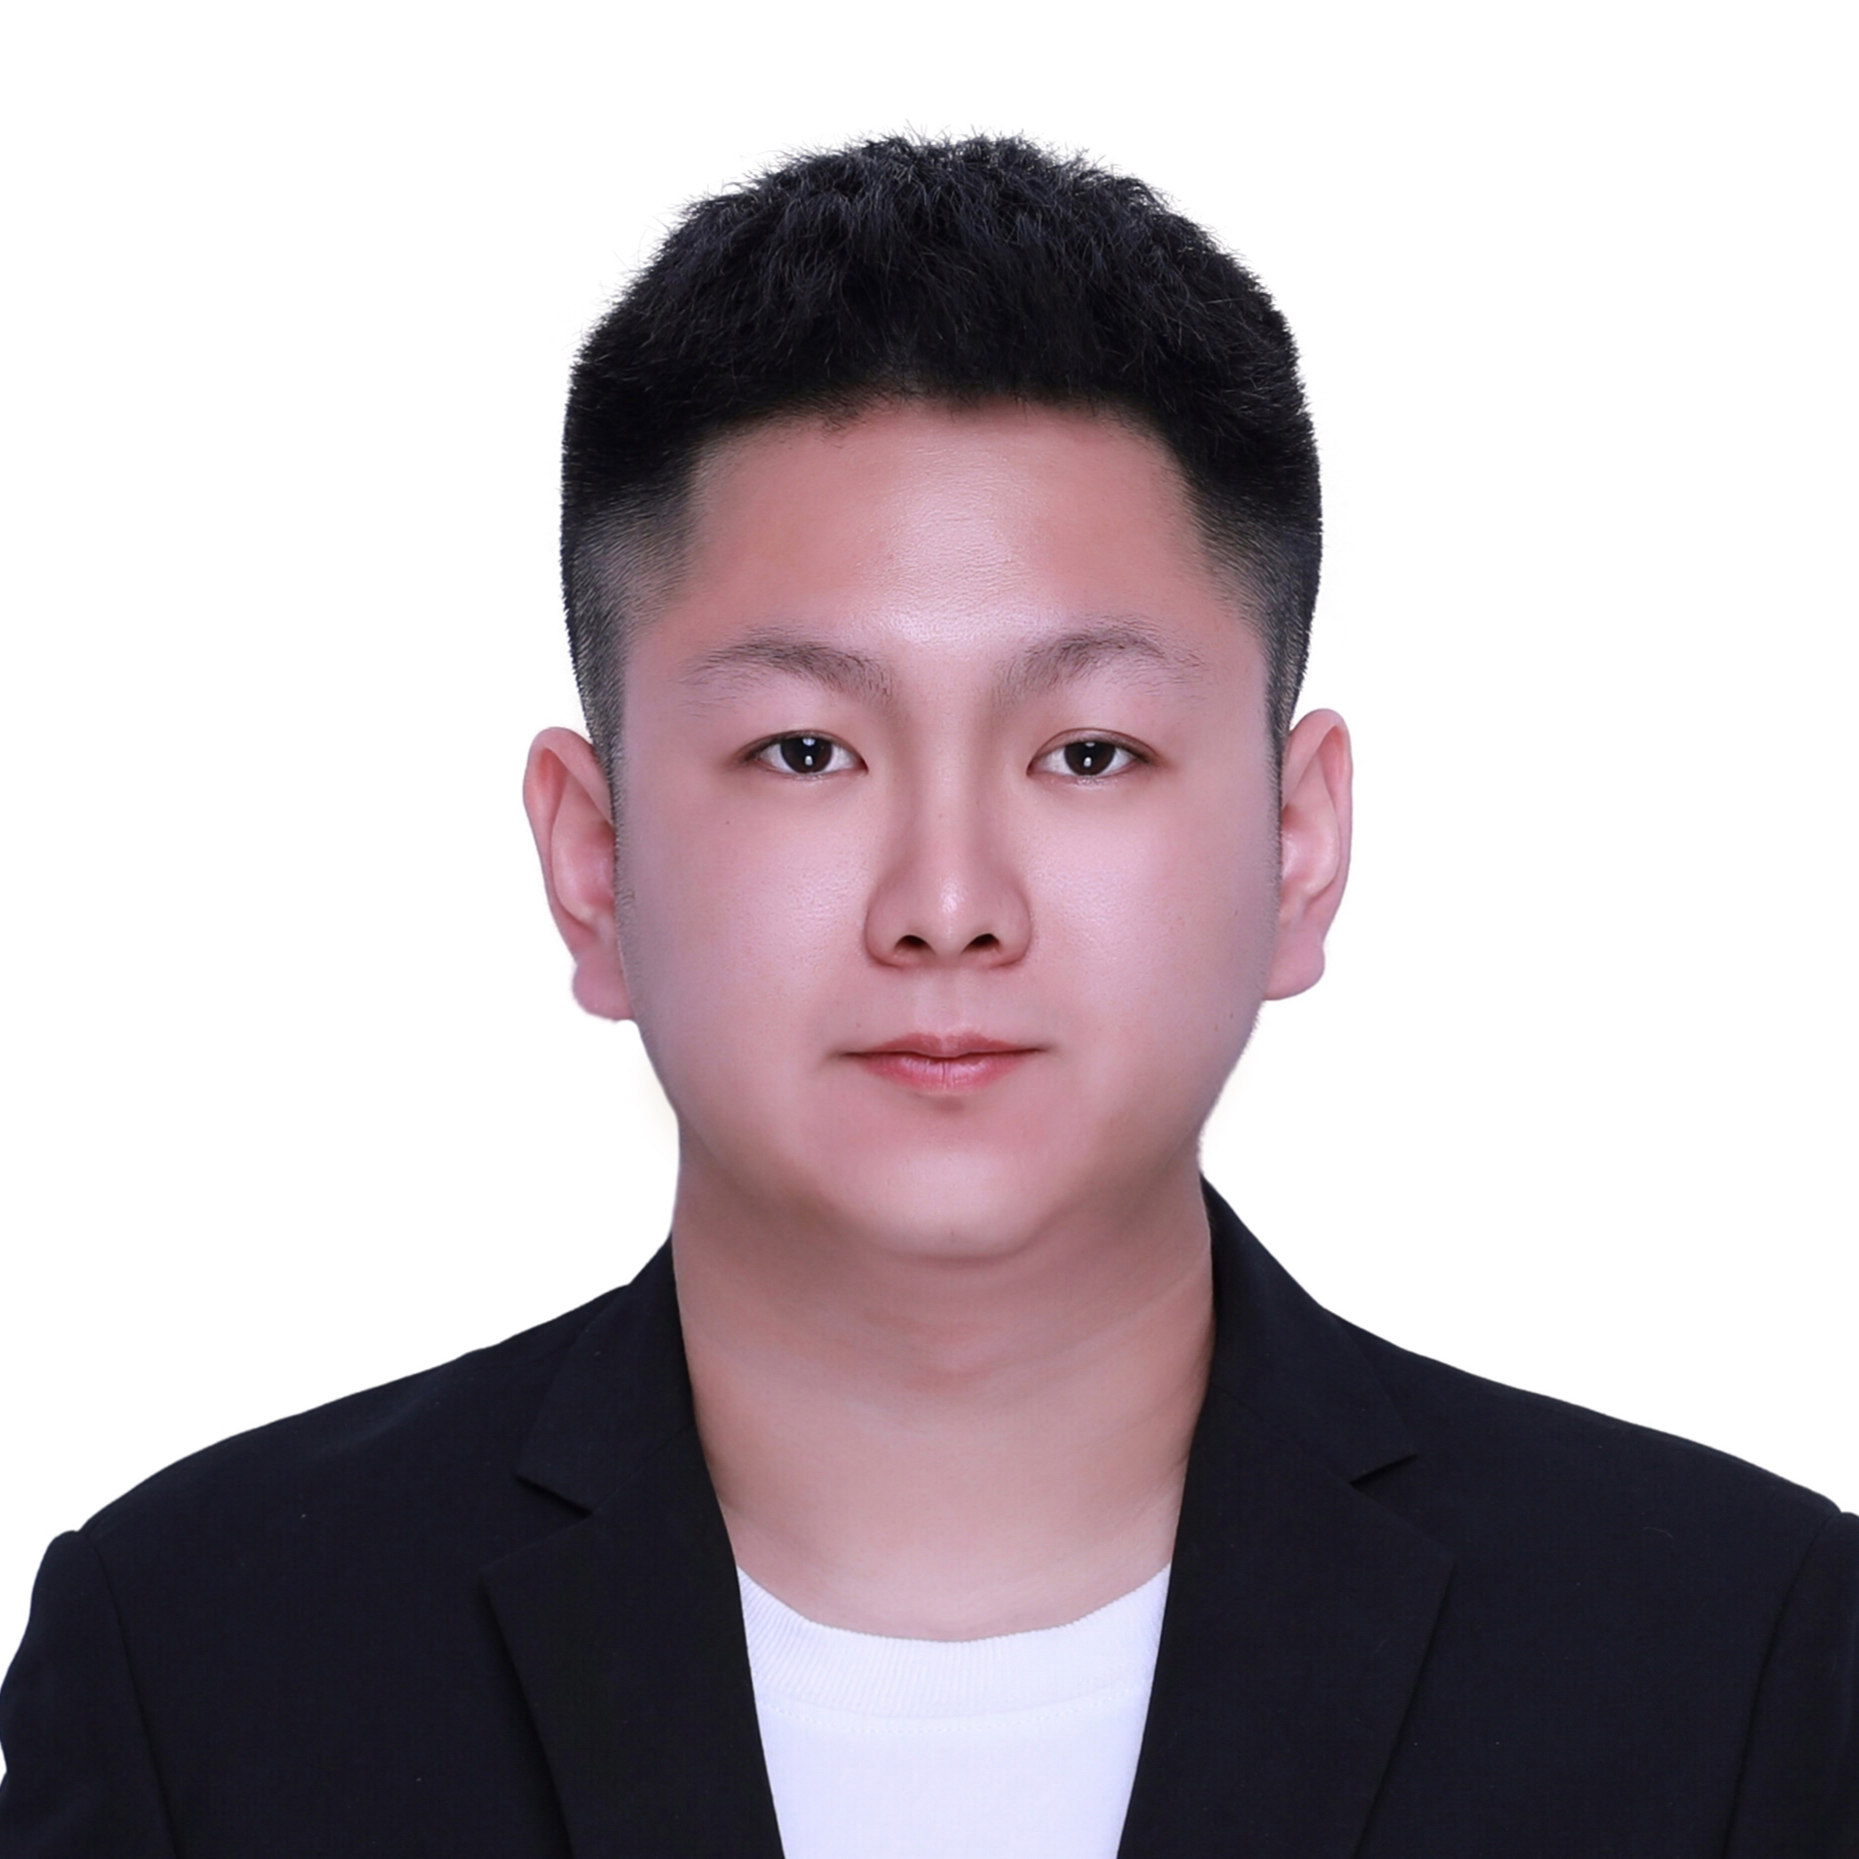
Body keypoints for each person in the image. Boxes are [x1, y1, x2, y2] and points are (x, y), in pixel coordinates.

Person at [0, 133, 1852, 1858]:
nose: (947, 905)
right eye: (805, 749)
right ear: (593, 861)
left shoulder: (1733, 1664)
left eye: (1090, 752)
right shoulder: (201, 1663)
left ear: (1296, 847)